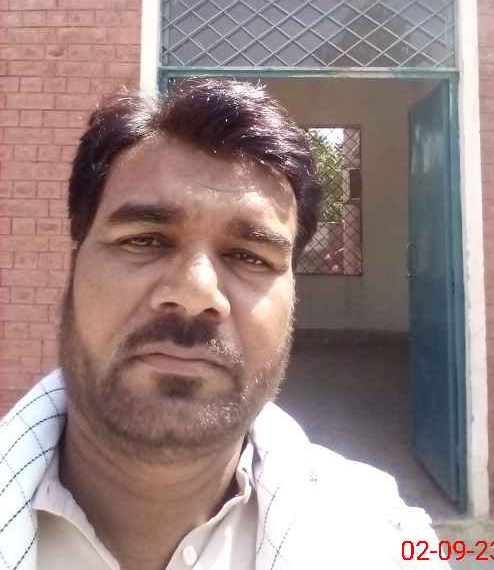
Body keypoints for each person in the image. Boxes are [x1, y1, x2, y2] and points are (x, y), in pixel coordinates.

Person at [0, 78, 448, 570]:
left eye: (249, 256)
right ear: (74, 266)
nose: (196, 294)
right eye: (144, 240)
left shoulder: (382, 542)